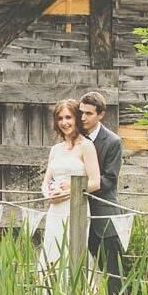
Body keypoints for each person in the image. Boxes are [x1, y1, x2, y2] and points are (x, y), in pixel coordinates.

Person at [79, 91, 127, 295]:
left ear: (101, 115)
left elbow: (109, 180)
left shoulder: (113, 141)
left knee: (113, 272)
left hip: (102, 216)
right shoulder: (74, 137)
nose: (83, 118)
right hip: (75, 214)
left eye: (88, 114)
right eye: (81, 113)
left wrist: (79, 188)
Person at [39, 99, 100, 271]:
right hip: (55, 210)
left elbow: (95, 182)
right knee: (52, 253)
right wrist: (49, 195)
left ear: (77, 119)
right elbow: (45, 182)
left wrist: (70, 190)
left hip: (76, 208)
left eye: (68, 117)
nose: (64, 122)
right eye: (60, 118)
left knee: (72, 254)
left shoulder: (86, 146)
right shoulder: (56, 149)